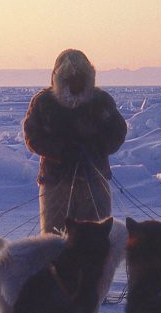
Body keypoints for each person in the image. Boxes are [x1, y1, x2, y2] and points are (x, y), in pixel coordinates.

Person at [23, 49, 127, 234]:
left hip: (95, 181)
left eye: (80, 77)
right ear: (58, 77)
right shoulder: (44, 102)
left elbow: (118, 131)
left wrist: (96, 147)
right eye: (69, 77)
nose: (75, 81)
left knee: (96, 241)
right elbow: (32, 136)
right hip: (56, 183)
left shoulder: (101, 101)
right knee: (54, 242)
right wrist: (61, 150)